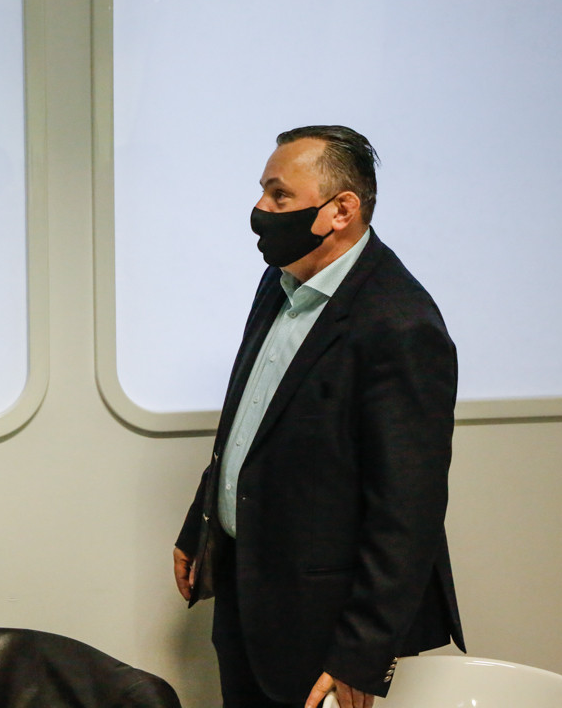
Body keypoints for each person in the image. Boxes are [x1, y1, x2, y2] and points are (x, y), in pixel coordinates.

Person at [172, 126, 464, 708]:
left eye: (279, 194)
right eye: (263, 190)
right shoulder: (280, 281)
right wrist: (202, 526)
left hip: (323, 627)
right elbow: (251, 423)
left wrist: (362, 651)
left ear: (341, 210)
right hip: (248, 591)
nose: (260, 208)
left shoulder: (400, 325)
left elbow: (408, 511)